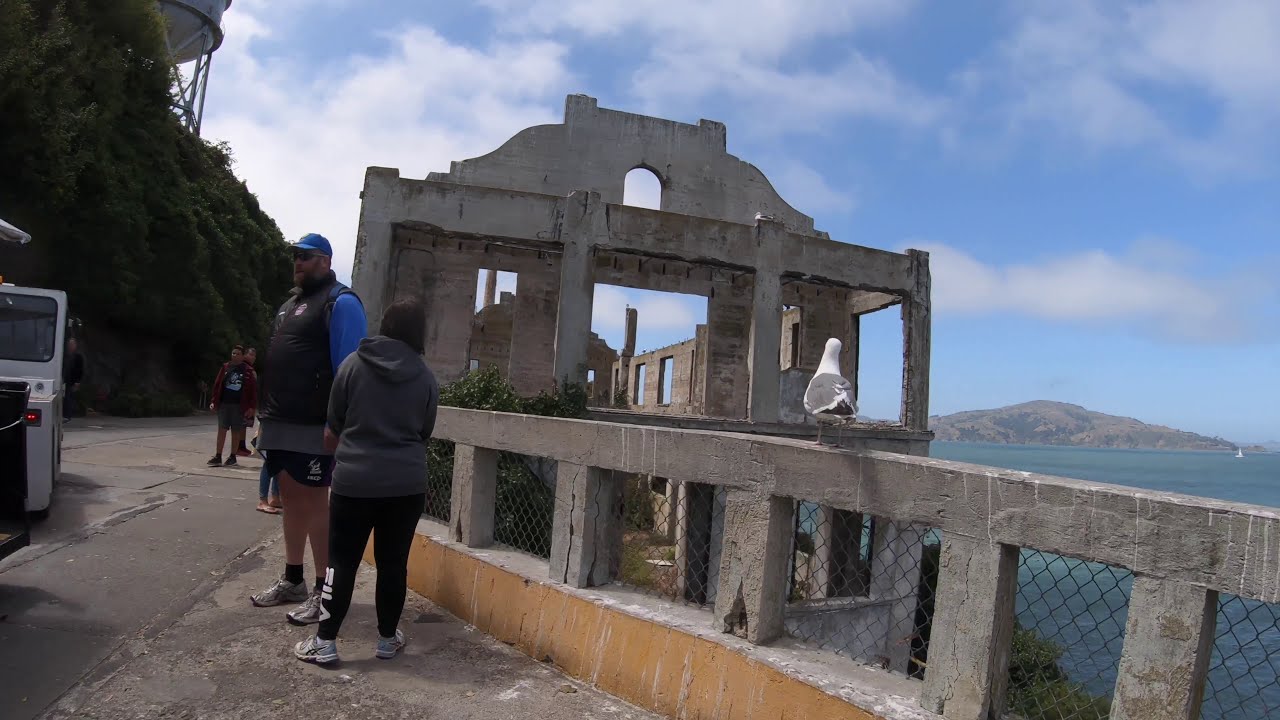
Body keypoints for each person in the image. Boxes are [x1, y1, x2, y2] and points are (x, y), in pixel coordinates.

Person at [293, 297, 438, 664]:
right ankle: (387, 640)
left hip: (354, 483)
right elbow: (424, 432)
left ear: (384, 325)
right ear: (418, 335)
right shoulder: (425, 377)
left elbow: (331, 432)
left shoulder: (352, 366)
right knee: (393, 564)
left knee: (341, 562)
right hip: (406, 485)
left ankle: (325, 643)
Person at [251, 233, 367, 626]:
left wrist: (337, 424)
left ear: (325, 260)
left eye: (305, 256)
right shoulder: (289, 306)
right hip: (279, 422)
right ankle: (293, 578)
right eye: (295, 256)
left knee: (317, 503)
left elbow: (349, 370)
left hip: (315, 426)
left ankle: (324, 590)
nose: (297, 262)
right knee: (288, 497)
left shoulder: (341, 302)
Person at [207, 345, 256, 467]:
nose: (234, 355)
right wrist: (214, 401)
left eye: (238, 353)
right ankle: (218, 456)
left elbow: (253, 391)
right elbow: (217, 385)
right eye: (233, 353)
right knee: (222, 430)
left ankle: (233, 456)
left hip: (239, 406)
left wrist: (251, 407)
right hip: (224, 404)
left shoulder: (247, 370)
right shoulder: (225, 367)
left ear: (242, 356)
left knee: (236, 431)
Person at [237, 348, 258, 457]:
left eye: (254, 355)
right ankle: (238, 447)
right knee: (241, 425)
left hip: (247, 402)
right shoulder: (244, 368)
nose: (253, 357)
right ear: (245, 355)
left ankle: (242, 446)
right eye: (251, 354)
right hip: (243, 402)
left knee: (244, 425)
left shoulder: (249, 368)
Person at [62, 338, 84, 422]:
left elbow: (80, 370)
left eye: (72, 344)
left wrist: (78, 382)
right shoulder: (64, 355)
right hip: (64, 379)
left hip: (72, 380)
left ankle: (67, 415)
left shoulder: (78, 357)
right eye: (69, 344)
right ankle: (64, 414)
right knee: (64, 397)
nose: (70, 346)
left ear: (75, 346)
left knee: (69, 398)